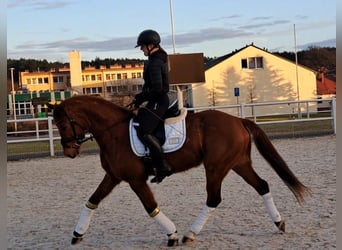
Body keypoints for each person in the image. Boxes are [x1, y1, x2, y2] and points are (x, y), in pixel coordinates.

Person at [133, 29, 172, 184]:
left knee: (145, 130)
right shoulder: (153, 60)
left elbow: (158, 89)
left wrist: (142, 97)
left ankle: (162, 166)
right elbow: (148, 86)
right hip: (154, 100)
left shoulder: (156, 62)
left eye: (142, 46)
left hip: (159, 101)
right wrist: (139, 98)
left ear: (150, 45)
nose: (141, 49)